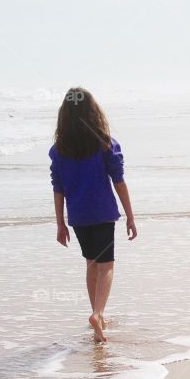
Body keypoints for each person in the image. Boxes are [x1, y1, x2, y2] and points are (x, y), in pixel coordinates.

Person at [50, 88, 136, 343]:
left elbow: (58, 187)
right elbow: (119, 181)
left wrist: (60, 223)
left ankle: (97, 313)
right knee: (106, 264)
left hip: (78, 215)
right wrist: (131, 216)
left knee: (91, 263)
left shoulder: (59, 150)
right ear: (93, 112)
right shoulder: (106, 143)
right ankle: (98, 314)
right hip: (102, 212)